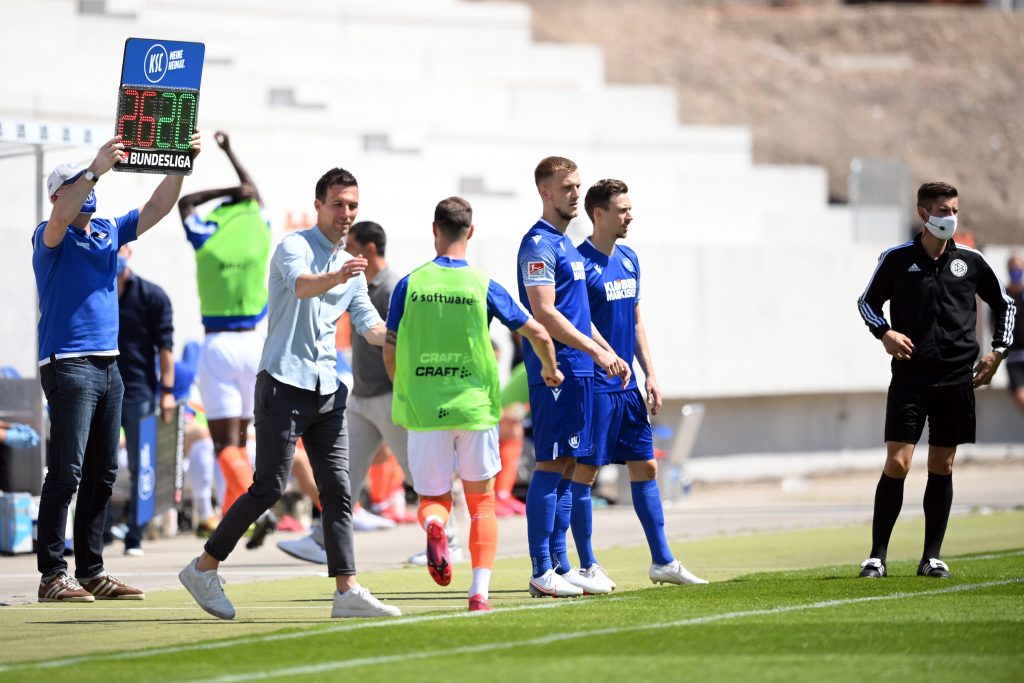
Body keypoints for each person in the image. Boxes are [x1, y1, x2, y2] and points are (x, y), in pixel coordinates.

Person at [178, 167, 400, 620]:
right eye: (337, 204)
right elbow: (302, 287)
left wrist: (401, 334)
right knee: (268, 488)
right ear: (318, 205)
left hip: (328, 393)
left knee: (338, 491)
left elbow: (370, 328)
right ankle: (203, 568)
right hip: (282, 385)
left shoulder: (351, 270)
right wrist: (340, 275)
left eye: (352, 205)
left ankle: (346, 590)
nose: (346, 213)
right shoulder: (294, 246)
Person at [33, 132, 201, 602]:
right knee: (66, 472)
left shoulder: (106, 230)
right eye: (76, 187)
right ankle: (51, 575)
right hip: (68, 364)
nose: (89, 194)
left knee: (103, 473)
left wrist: (180, 166)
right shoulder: (50, 234)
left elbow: (155, 209)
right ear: (57, 195)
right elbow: (62, 215)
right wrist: (94, 168)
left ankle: (91, 570)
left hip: (109, 366)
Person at [384, 196, 563, 611]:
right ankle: (479, 592)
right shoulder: (482, 284)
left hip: (425, 409)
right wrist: (550, 366)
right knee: (481, 502)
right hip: (474, 407)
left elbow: (389, 350)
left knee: (433, 498)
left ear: (434, 230)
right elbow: (535, 330)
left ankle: (433, 527)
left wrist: (404, 388)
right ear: (471, 232)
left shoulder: (409, 284)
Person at [856, 181, 1015, 579]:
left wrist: (997, 352)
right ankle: (877, 556)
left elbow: (1005, 305)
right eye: (944, 210)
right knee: (898, 462)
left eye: (955, 209)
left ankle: (932, 556)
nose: (951, 217)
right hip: (911, 377)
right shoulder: (896, 259)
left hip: (957, 379)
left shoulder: (971, 261)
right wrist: (885, 333)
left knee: (941, 464)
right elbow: (866, 302)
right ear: (924, 214)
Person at [574, 179, 707, 589]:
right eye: (622, 210)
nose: (629, 216)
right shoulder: (579, 263)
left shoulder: (629, 259)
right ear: (599, 214)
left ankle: (663, 561)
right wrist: (606, 356)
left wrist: (650, 372)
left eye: (630, 209)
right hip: (594, 383)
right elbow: (580, 322)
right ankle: (587, 564)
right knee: (586, 473)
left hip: (628, 386)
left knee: (646, 465)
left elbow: (635, 320)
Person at [516, 156, 630, 598]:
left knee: (567, 466)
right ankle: (541, 569)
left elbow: (581, 316)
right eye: (567, 188)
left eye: (578, 186)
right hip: (556, 371)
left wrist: (606, 352)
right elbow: (544, 312)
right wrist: (591, 351)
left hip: (581, 369)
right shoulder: (538, 245)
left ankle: (563, 565)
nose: (575, 194)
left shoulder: (568, 246)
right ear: (545, 192)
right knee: (550, 464)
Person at [177, 130, 273, 540]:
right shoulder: (261, 226)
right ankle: (247, 510)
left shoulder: (206, 232)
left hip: (218, 345)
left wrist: (224, 188)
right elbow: (254, 193)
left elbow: (185, 202)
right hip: (257, 343)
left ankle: (250, 508)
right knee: (243, 436)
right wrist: (231, 153)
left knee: (225, 445)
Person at [109, 244, 175, 556]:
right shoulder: (97, 292)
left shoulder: (152, 295)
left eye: (122, 249)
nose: (117, 255)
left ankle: (134, 534)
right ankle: (101, 532)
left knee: (141, 466)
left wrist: (168, 392)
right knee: (99, 464)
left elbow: (165, 347)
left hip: (140, 393)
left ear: (130, 253)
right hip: (102, 391)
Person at [1003, 255, 1024, 415]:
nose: (1015, 272)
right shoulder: (1004, 294)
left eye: (1018, 268)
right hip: (1014, 357)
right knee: (1019, 396)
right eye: (1013, 269)